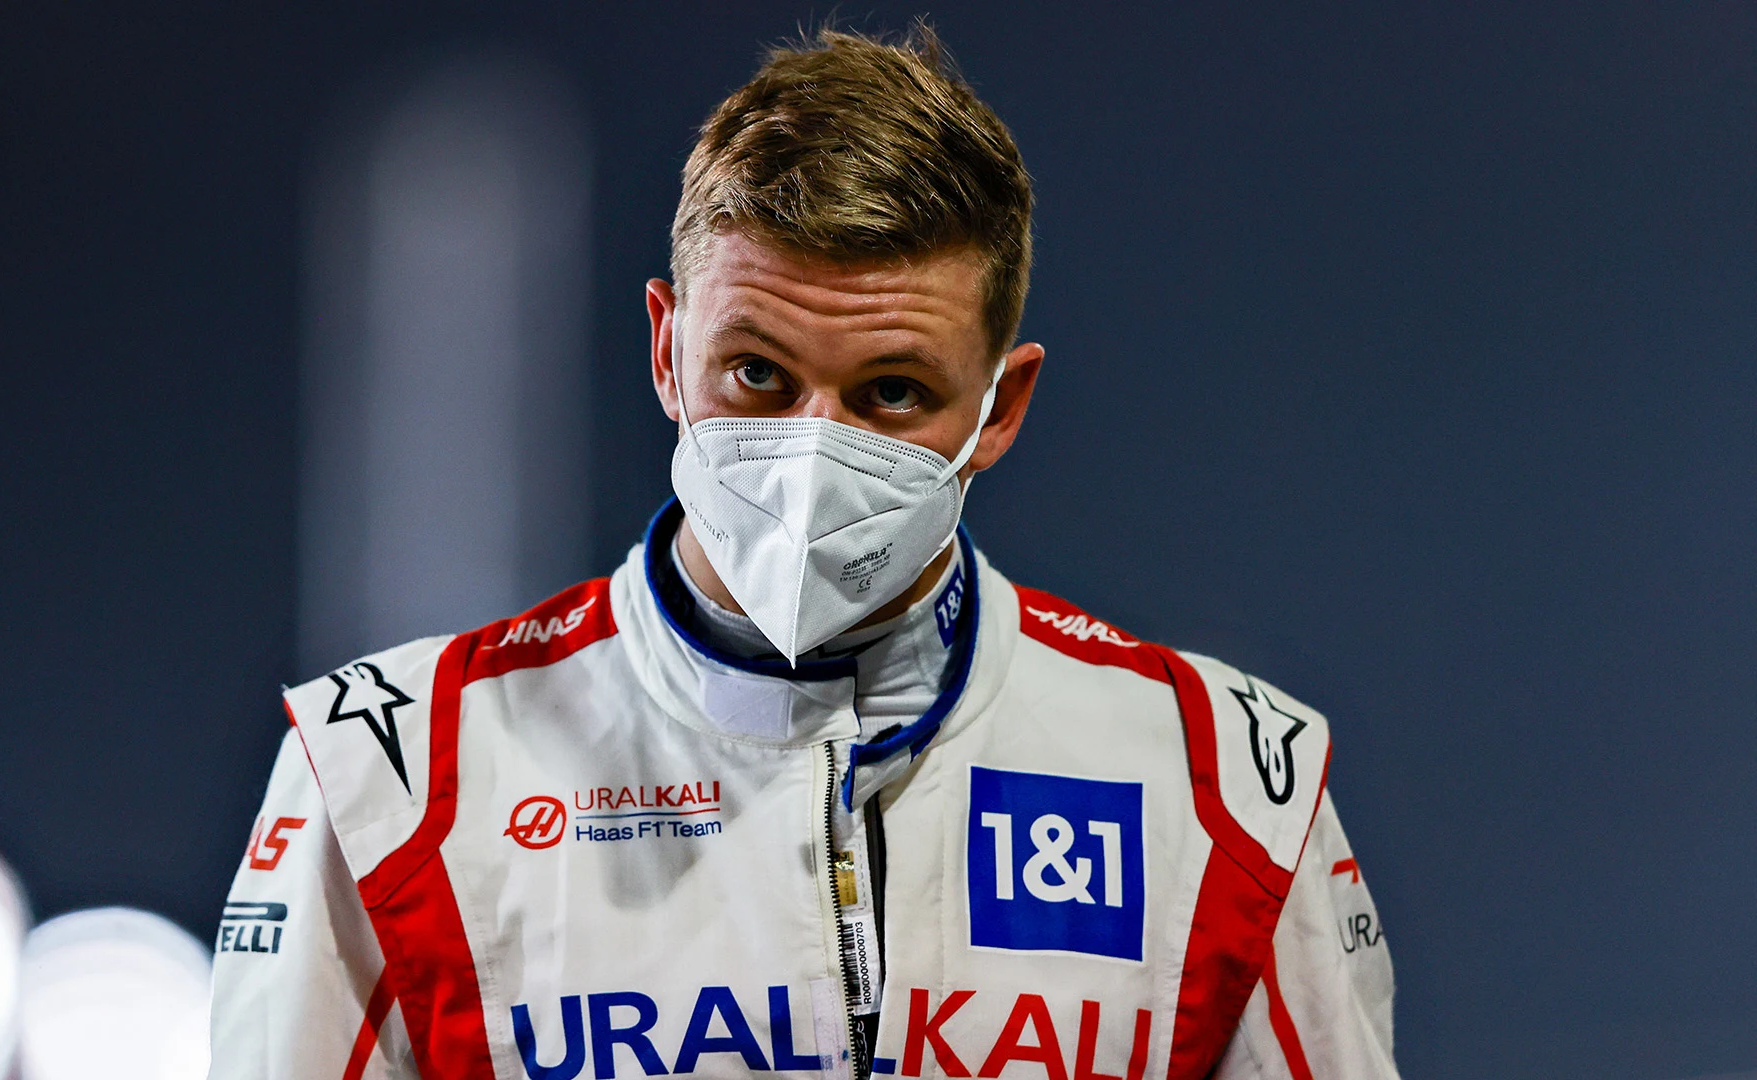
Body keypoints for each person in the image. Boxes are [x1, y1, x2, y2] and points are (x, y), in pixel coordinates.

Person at [210, 26, 1400, 1080]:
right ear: (669, 353)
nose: (809, 450)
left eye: (891, 391)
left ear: (999, 407)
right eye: (759, 375)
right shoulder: (387, 782)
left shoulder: (1229, 785)